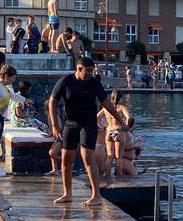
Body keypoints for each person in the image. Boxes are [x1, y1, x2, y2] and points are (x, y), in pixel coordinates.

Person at [47, 57, 126, 206]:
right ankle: (67, 194)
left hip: (88, 123)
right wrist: (55, 125)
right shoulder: (66, 81)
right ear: (79, 69)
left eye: (92, 70)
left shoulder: (94, 83)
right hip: (70, 124)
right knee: (66, 158)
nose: (90, 73)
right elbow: (52, 101)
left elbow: (106, 103)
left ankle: (96, 196)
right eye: (88, 71)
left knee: (87, 156)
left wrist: (121, 121)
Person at [104, 90, 134, 176]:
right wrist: (126, 127)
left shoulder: (106, 107)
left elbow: (97, 118)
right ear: (120, 98)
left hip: (109, 131)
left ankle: (107, 176)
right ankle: (119, 178)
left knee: (109, 156)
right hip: (119, 131)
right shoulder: (121, 107)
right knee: (118, 157)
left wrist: (104, 127)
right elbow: (129, 117)